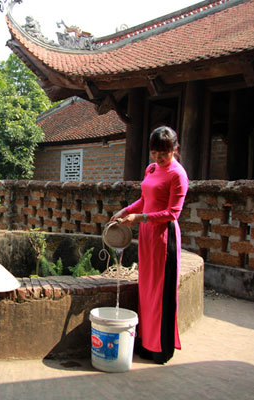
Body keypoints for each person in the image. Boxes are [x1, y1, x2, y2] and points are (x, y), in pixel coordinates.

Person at [110, 126, 189, 364]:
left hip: (164, 237)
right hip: (147, 235)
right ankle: (145, 342)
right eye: (154, 152)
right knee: (146, 289)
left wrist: (140, 218)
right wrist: (126, 210)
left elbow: (172, 212)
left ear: (174, 149)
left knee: (160, 292)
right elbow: (146, 200)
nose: (158, 157)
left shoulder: (178, 174)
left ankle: (160, 348)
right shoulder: (152, 168)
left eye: (163, 153)